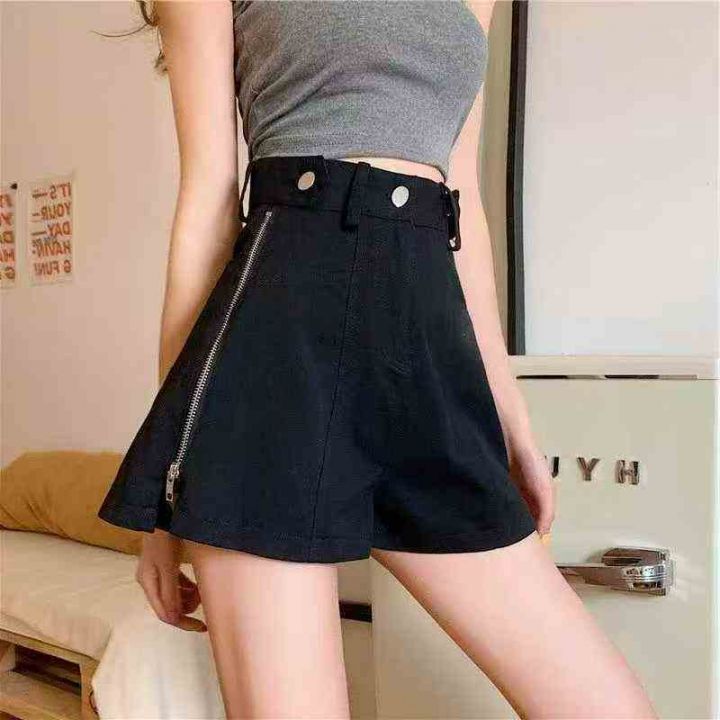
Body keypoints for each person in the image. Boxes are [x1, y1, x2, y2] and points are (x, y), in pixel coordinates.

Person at [98, 1, 657, 717]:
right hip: (275, 357)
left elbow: (463, 207)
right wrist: (168, 495)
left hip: (427, 354)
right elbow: (207, 204)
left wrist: (510, 416)